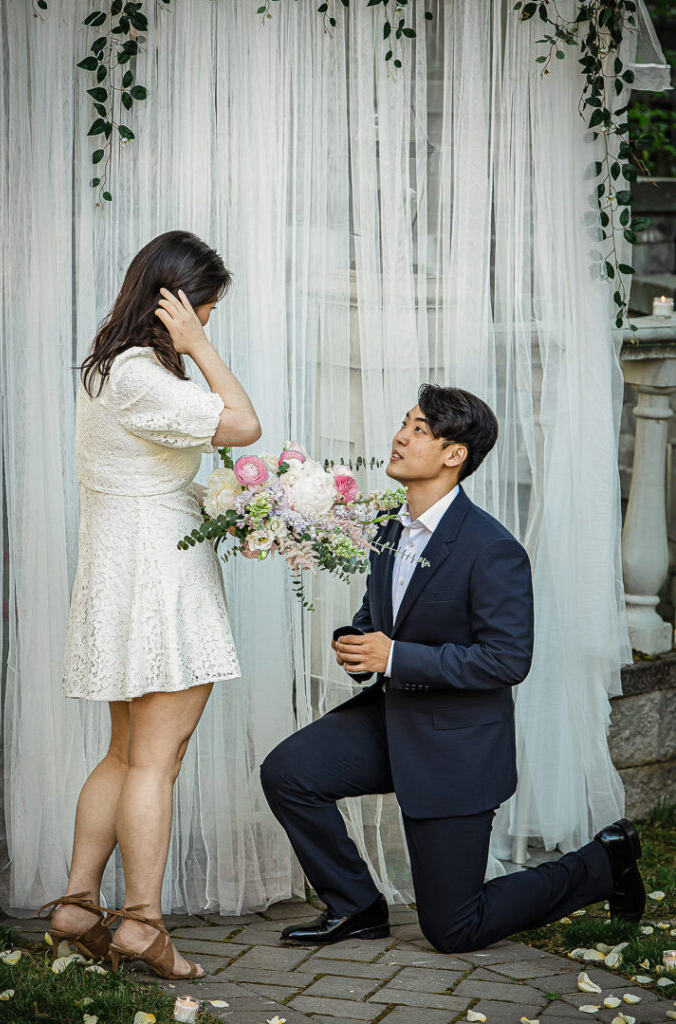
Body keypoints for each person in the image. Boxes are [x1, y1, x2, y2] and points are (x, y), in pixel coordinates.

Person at [260, 384, 645, 952]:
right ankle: (357, 906)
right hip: (392, 719)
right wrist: (359, 640)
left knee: (454, 929)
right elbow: (384, 614)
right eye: (405, 422)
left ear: (453, 454)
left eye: (418, 429)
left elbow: (507, 658)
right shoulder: (389, 526)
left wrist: (394, 655)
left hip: (454, 750)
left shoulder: (492, 548)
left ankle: (603, 864)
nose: (399, 436)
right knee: (289, 772)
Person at [37, 230, 261, 980]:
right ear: (172, 304)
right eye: (203, 308)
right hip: (156, 577)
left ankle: (75, 907)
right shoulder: (141, 376)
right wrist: (198, 347)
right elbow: (241, 424)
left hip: (122, 567)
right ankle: (141, 924)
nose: (207, 319)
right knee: (155, 763)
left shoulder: (112, 368)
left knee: (128, 752)